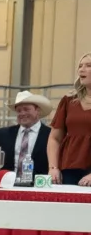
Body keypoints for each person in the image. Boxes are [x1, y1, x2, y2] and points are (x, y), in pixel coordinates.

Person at [48, 54, 91, 186]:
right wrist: (53, 168)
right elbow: (54, 138)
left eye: (88, 66)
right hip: (69, 168)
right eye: (80, 66)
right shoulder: (68, 101)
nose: (81, 70)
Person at [0, 91, 51, 179]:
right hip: (8, 186)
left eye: (26, 109)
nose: (22, 113)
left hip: (39, 186)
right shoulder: (2, 135)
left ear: (38, 111)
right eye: (19, 110)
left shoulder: (50, 135)